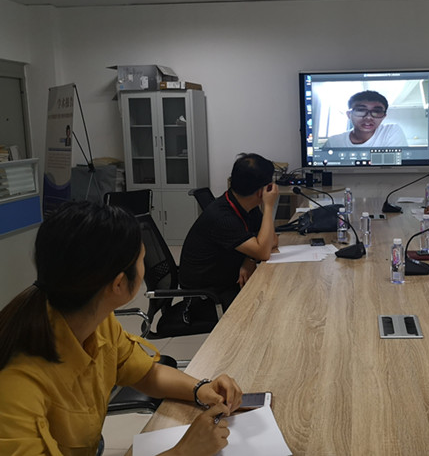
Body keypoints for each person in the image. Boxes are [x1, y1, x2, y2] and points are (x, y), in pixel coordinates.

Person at [0, 202, 243, 455]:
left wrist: (201, 389)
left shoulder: (96, 321)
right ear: (118, 284)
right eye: (141, 260)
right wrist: (183, 452)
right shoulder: (15, 391)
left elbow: (144, 373)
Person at [179, 153, 280, 312]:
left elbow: (272, 241)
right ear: (262, 191)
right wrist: (268, 206)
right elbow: (264, 252)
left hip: (227, 282)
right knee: (274, 304)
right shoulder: (222, 217)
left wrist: (250, 257)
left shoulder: (244, 204)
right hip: (207, 297)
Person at [322, 90, 408, 148]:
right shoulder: (334, 142)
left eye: (376, 111)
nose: (368, 117)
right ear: (349, 114)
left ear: (383, 116)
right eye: (361, 110)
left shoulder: (391, 131)